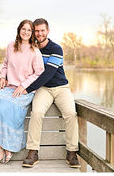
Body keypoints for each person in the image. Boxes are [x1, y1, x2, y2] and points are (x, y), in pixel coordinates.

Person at [0, 19, 44, 167]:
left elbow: (39, 73)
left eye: (29, 30)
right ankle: (6, 148)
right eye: (23, 29)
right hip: (10, 87)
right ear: (19, 30)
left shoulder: (35, 51)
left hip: (25, 90)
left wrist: (23, 86)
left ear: (32, 33)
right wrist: (2, 77)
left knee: (9, 109)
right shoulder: (11, 46)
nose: (26, 32)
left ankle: (0, 150)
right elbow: (5, 64)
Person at [22, 18, 79, 168]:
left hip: (61, 88)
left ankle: (71, 152)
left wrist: (27, 89)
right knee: (36, 113)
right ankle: (33, 152)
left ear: (47, 31)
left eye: (42, 30)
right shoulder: (32, 48)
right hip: (43, 89)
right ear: (33, 32)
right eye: (36, 31)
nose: (39, 33)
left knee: (71, 114)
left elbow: (48, 73)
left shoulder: (56, 48)